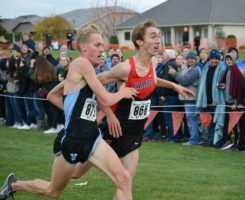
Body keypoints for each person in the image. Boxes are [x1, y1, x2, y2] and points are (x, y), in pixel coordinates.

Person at [48, 19, 194, 190]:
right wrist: (108, 114)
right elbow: (96, 83)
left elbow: (151, 79)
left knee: (125, 183)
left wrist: (174, 85)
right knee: (75, 173)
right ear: (140, 42)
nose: (158, 41)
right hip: (115, 130)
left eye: (159, 36)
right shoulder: (124, 68)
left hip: (134, 133)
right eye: (153, 36)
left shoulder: (153, 63)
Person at [0, 23, 138, 200]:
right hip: (72, 139)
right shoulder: (81, 64)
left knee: (124, 178)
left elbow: (52, 95)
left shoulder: (87, 71)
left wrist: (74, 112)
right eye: (97, 45)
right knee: (53, 191)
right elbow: (105, 99)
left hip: (92, 137)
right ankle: (13, 185)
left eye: (102, 45)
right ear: (83, 47)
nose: (102, 49)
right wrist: (122, 93)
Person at [169, 51, 201, 145]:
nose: (190, 60)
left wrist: (174, 73)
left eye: (192, 58)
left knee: (191, 120)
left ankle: (194, 140)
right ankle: (197, 139)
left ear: (195, 60)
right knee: (191, 120)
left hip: (191, 99)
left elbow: (184, 80)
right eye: (188, 58)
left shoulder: (195, 70)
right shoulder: (187, 68)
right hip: (187, 99)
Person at [196, 49, 225, 147]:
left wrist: (216, 100)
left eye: (216, 59)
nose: (213, 61)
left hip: (216, 102)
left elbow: (222, 87)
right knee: (209, 123)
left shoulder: (222, 70)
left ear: (219, 59)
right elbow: (202, 84)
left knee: (217, 122)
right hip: (206, 101)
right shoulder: (206, 68)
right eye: (212, 58)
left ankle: (218, 142)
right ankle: (210, 141)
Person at [218, 53, 243, 150]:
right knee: (226, 124)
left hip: (233, 103)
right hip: (227, 102)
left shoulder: (236, 72)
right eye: (226, 60)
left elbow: (239, 90)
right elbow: (222, 83)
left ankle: (237, 143)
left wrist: (235, 103)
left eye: (230, 59)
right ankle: (228, 141)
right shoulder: (227, 70)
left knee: (235, 125)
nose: (228, 61)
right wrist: (221, 85)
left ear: (233, 60)